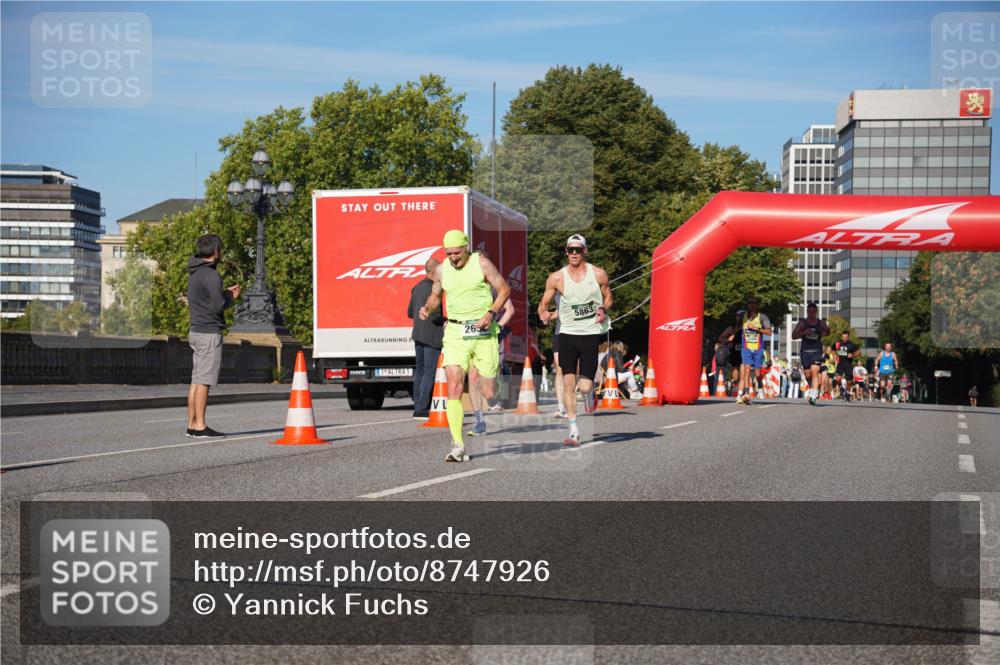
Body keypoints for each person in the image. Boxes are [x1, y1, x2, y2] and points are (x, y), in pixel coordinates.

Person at [419, 230, 510, 462]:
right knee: (454, 385)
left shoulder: (482, 263)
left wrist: (491, 313)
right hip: (456, 332)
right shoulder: (442, 270)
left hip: (482, 332)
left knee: (489, 392)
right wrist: (428, 308)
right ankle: (457, 444)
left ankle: (498, 382)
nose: (453, 258)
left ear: (466, 247)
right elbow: (435, 295)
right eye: (448, 254)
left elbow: (504, 290)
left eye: (457, 253)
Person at [538, 234, 612, 447]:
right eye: (570, 250)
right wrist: (543, 313)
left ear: (585, 251)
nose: (574, 253)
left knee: (586, 387)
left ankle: (590, 396)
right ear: (566, 252)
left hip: (589, 333)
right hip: (567, 334)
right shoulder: (556, 278)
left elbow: (608, 296)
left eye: (578, 250)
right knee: (568, 381)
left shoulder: (598, 274)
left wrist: (602, 308)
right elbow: (543, 304)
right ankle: (573, 431)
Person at [185, 234, 241, 438]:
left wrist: (223, 292)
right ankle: (200, 425)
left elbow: (207, 299)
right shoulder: (211, 275)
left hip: (196, 330)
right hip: (209, 333)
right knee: (204, 380)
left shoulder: (195, 273)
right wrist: (230, 296)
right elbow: (218, 306)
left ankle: (191, 424)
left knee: (196, 380)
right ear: (216, 252)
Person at [407, 259, 445, 419]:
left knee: (421, 371)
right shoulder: (434, 289)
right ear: (434, 271)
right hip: (432, 336)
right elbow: (435, 316)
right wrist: (447, 321)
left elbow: (409, 313)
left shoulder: (416, 287)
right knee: (429, 372)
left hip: (418, 335)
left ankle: (418, 405)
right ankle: (422, 409)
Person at [792, 302, 830, 406]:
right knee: (808, 374)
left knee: (814, 372)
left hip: (817, 351)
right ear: (807, 312)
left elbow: (828, 331)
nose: (811, 314)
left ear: (816, 312)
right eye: (809, 312)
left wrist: (824, 333)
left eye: (813, 312)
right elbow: (793, 336)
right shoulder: (802, 323)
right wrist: (803, 333)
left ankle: (813, 396)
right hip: (805, 352)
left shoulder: (820, 323)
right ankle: (813, 387)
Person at [735, 297, 772, 405]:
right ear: (747, 305)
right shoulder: (743, 316)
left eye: (754, 303)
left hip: (758, 348)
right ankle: (746, 394)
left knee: (757, 372)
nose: (752, 305)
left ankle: (760, 387)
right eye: (750, 303)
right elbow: (737, 328)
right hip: (746, 348)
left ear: (757, 305)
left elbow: (769, 333)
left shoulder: (762, 317)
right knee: (746, 369)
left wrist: (757, 329)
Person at [833, 331, 858, 402]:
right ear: (841, 337)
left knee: (849, 382)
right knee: (837, 379)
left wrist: (853, 355)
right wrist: (835, 355)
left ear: (848, 337)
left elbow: (858, 352)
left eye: (846, 337)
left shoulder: (851, 344)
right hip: (840, 364)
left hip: (848, 364)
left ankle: (847, 394)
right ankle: (841, 388)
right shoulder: (838, 343)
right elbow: (833, 349)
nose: (844, 339)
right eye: (843, 337)